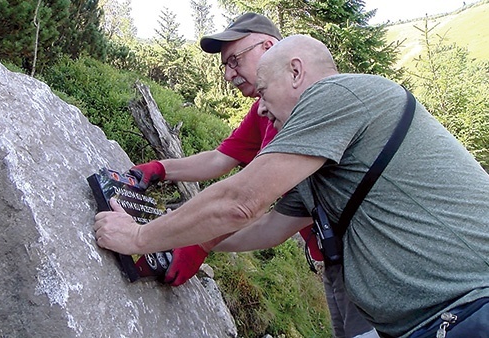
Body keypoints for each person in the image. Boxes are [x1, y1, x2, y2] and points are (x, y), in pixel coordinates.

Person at [94, 34, 489, 337]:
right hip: (429, 321)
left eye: (264, 93)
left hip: (467, 312)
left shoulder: (334, 94)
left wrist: (141, 238)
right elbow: (271, 227)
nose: (261, 108)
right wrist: (192, 239)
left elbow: (240, 201)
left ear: (297, 72)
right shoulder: (319, 156)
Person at [125, 13, 378, 338]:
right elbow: (221, 159)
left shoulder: (312, 113)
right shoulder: (264, 111)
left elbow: (249, 202)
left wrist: (175, 240)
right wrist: (161, 170)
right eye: (225, 66)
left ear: (270, 47)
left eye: (234, 60)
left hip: (366, 263)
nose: (230, 74)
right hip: (334, 263)